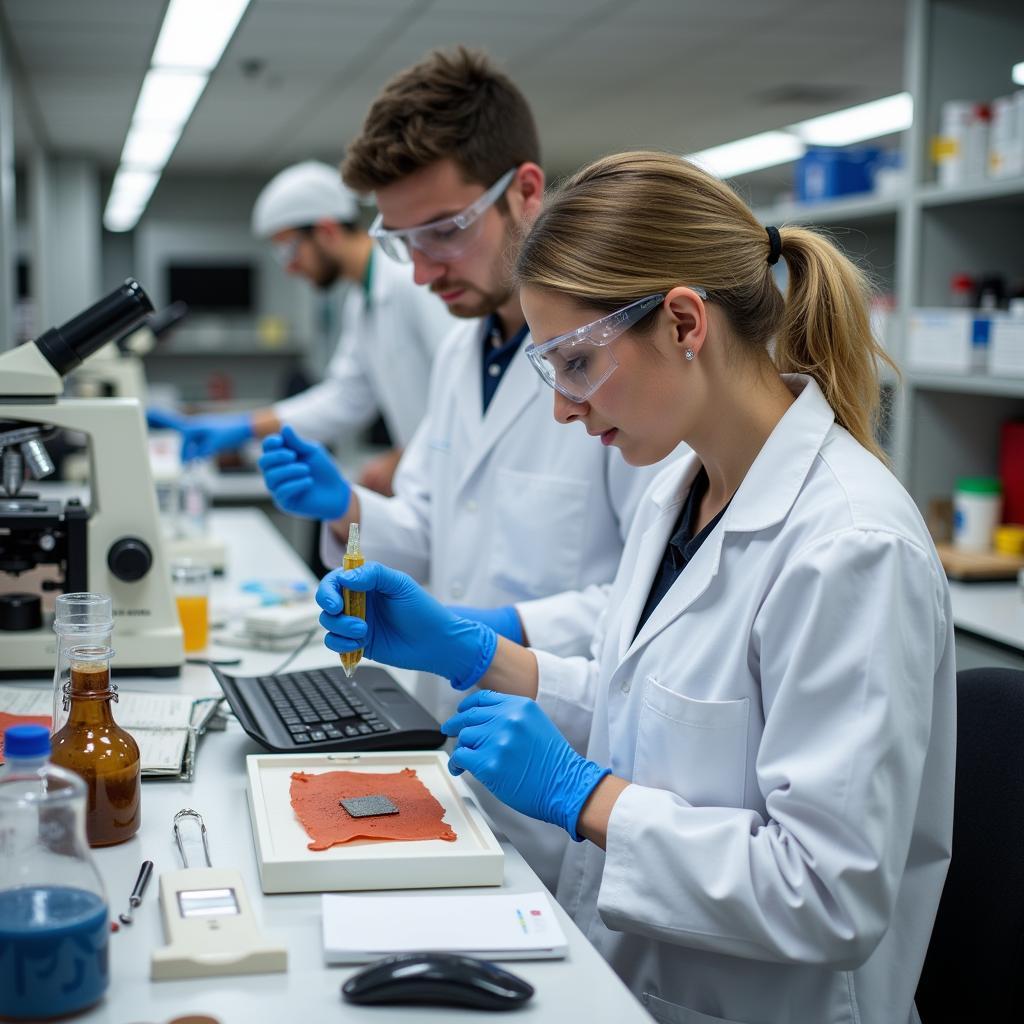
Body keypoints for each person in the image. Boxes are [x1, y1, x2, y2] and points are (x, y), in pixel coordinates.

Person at [313, 151, 956, 1024]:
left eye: (575, 363)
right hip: (628, 976)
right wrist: (479, 653)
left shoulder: (850, 546)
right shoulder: (680, 488)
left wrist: (588, 798)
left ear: (685, 322)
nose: (563, 408)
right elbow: (648, 707)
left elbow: (828, 893)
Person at [258, 51, 672, 889]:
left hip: (569, 762)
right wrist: (349, 503)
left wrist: (500, 629)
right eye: (402, 241)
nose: (422, 270)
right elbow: (431, 527)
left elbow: (653, 601)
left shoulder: (625, 368)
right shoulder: (459, 352)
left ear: (526, 190)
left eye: (444, 230)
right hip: (458, 743)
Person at [149, 160, 453, 495]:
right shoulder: (361, 300)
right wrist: (242, 426)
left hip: (451, 478)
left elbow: (462, 390)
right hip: (429, 482)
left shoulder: (410, 280)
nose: (290, 267)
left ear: (326, 231)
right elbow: (345, 398)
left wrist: (404, 458)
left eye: (289, 249)